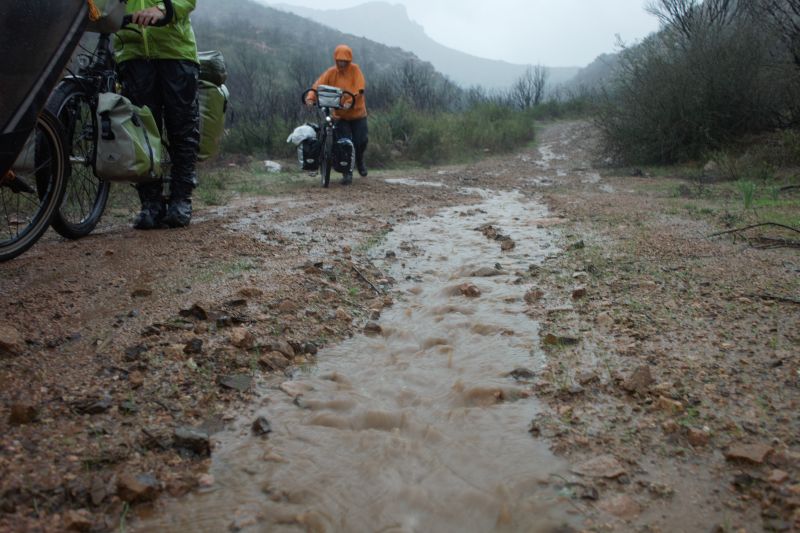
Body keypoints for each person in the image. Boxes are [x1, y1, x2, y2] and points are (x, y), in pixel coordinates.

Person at [114, 0, 200, 229]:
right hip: (131, 53)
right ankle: (150, 203)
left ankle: (180, 199)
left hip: (175, 51)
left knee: (182, 129)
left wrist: (162, 9)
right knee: (140, 134)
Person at [307, 44, 369, 185]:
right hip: (340, 115)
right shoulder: (331, 72)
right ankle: (347, 173)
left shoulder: (355, 70)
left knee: (361, 141)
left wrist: (349, 101)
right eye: (339, 60)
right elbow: (318, 85)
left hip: (357, 114)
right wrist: (311, 97)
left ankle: (359, 160)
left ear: (349, 60)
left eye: (344, 60)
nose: (341, 63)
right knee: (344, 143)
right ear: (335, 59)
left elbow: (360, 89)